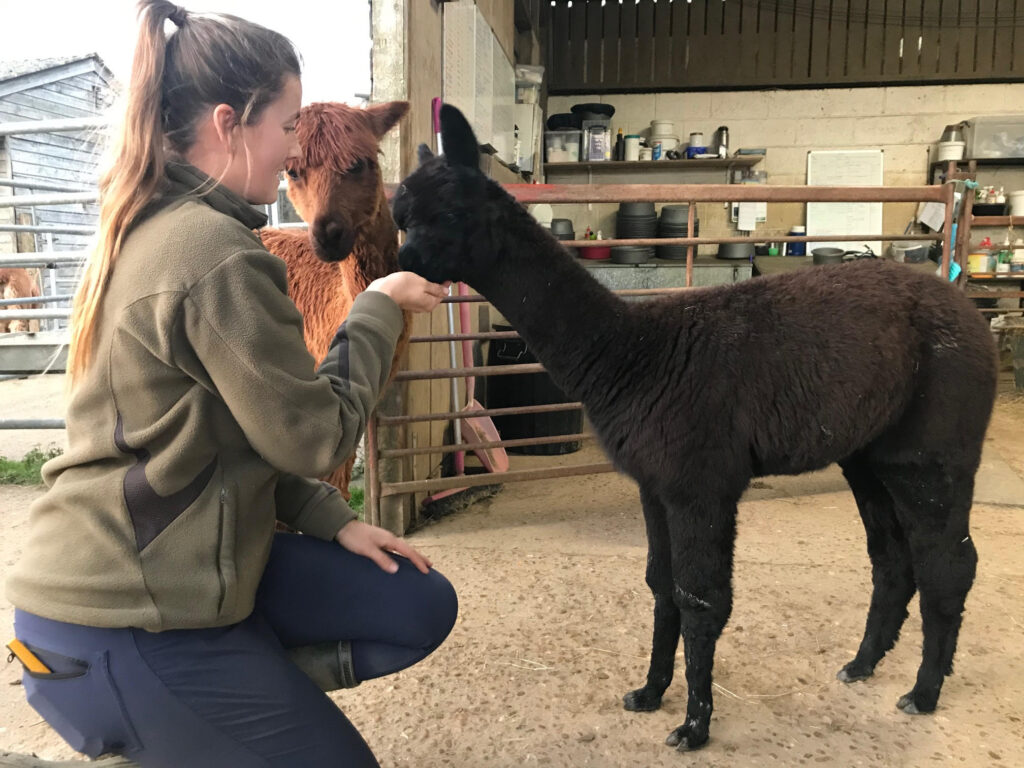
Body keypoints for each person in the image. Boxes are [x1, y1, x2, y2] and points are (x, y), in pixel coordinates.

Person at [4, 2, 457, 766]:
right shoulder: (215, 252)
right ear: (228, 122)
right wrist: (375, 309)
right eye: (286, 128)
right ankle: (175, 721)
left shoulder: (154, 225)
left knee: (414, 601)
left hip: (186, 578)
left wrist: (329, 519)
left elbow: (221, 434)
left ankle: (204, 721)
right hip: (127, 610)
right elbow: (314, 437)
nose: (292, 151)